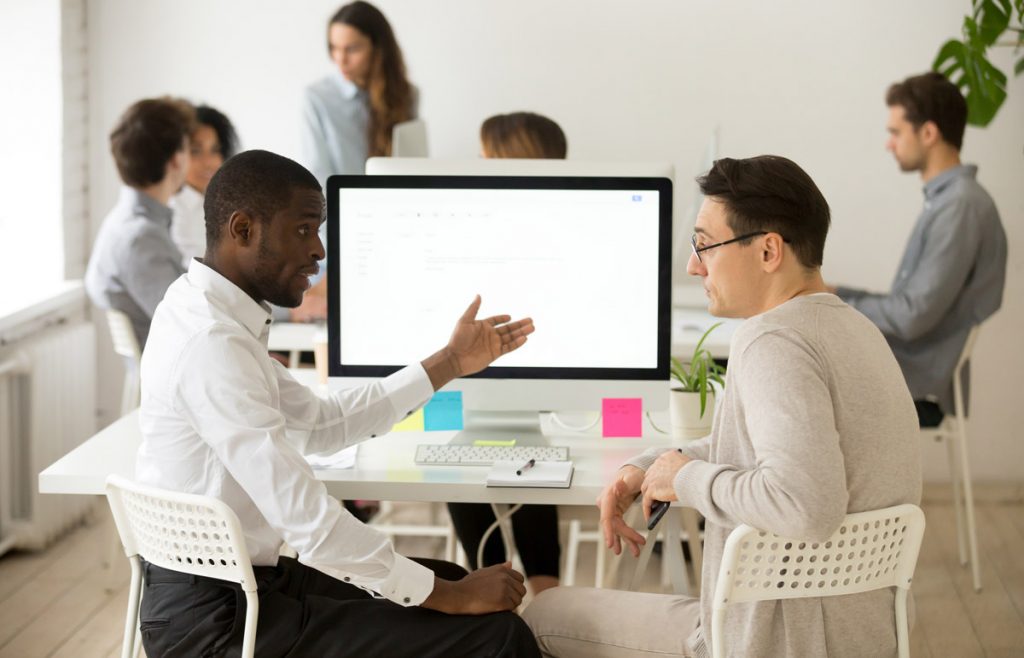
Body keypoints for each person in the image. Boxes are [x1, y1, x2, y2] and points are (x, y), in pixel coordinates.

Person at [135, 149, 540, 657]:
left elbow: (322, 424)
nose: (319, 251)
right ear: (243, 229)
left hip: (241, 588)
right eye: (304, 230)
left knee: (448, 577)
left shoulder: (205, 311)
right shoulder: (212, 343)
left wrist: (449, 362)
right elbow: (308, 521)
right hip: (216, 626)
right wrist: (451, 599)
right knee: (494, 634)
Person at [522, 155, 922, 658]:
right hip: (866, 634)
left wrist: (685, 480)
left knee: (542, 614)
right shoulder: (857, 330)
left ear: (769, 251)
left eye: (705, 244)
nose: (693, 265)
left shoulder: (771, 340)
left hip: (770, 639)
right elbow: (772, 448)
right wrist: (651, 468)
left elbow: (806, 505)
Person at [832, 72, 1007, 428]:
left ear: (928, 133)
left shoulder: (960, 207)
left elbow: (912, 316)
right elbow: (911, 305)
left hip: (916, 383)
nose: (889, 144)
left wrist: (839, 303)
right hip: (904, 367)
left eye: (896, 132)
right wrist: (836, 295)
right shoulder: (947, 203)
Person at [447, 112, 567, 597]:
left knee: (519, 456)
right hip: (477, 373)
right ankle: (514, 591)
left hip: (525, 368)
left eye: (485, 156)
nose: (477, 166)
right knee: (473, 456)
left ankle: (524, 593)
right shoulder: (475, 224)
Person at [85, 97, 195, 348]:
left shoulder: (124, 224)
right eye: (190, 149)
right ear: (176, 160)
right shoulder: (140, 238)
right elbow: (190, 321)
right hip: (178, 377)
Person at [301, 0, 416, 187]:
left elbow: (412, 166)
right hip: (339, 209)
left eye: (352, 49)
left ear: (378, 48)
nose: (340, 59)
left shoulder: (407, 94)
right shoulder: (317, 98)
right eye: (334, 47)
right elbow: (317, 173)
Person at [169, 104, 239, 264]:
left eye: (215, 150)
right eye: (196, 151)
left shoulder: (225, 204)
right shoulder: (173, 211)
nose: (209, 162)